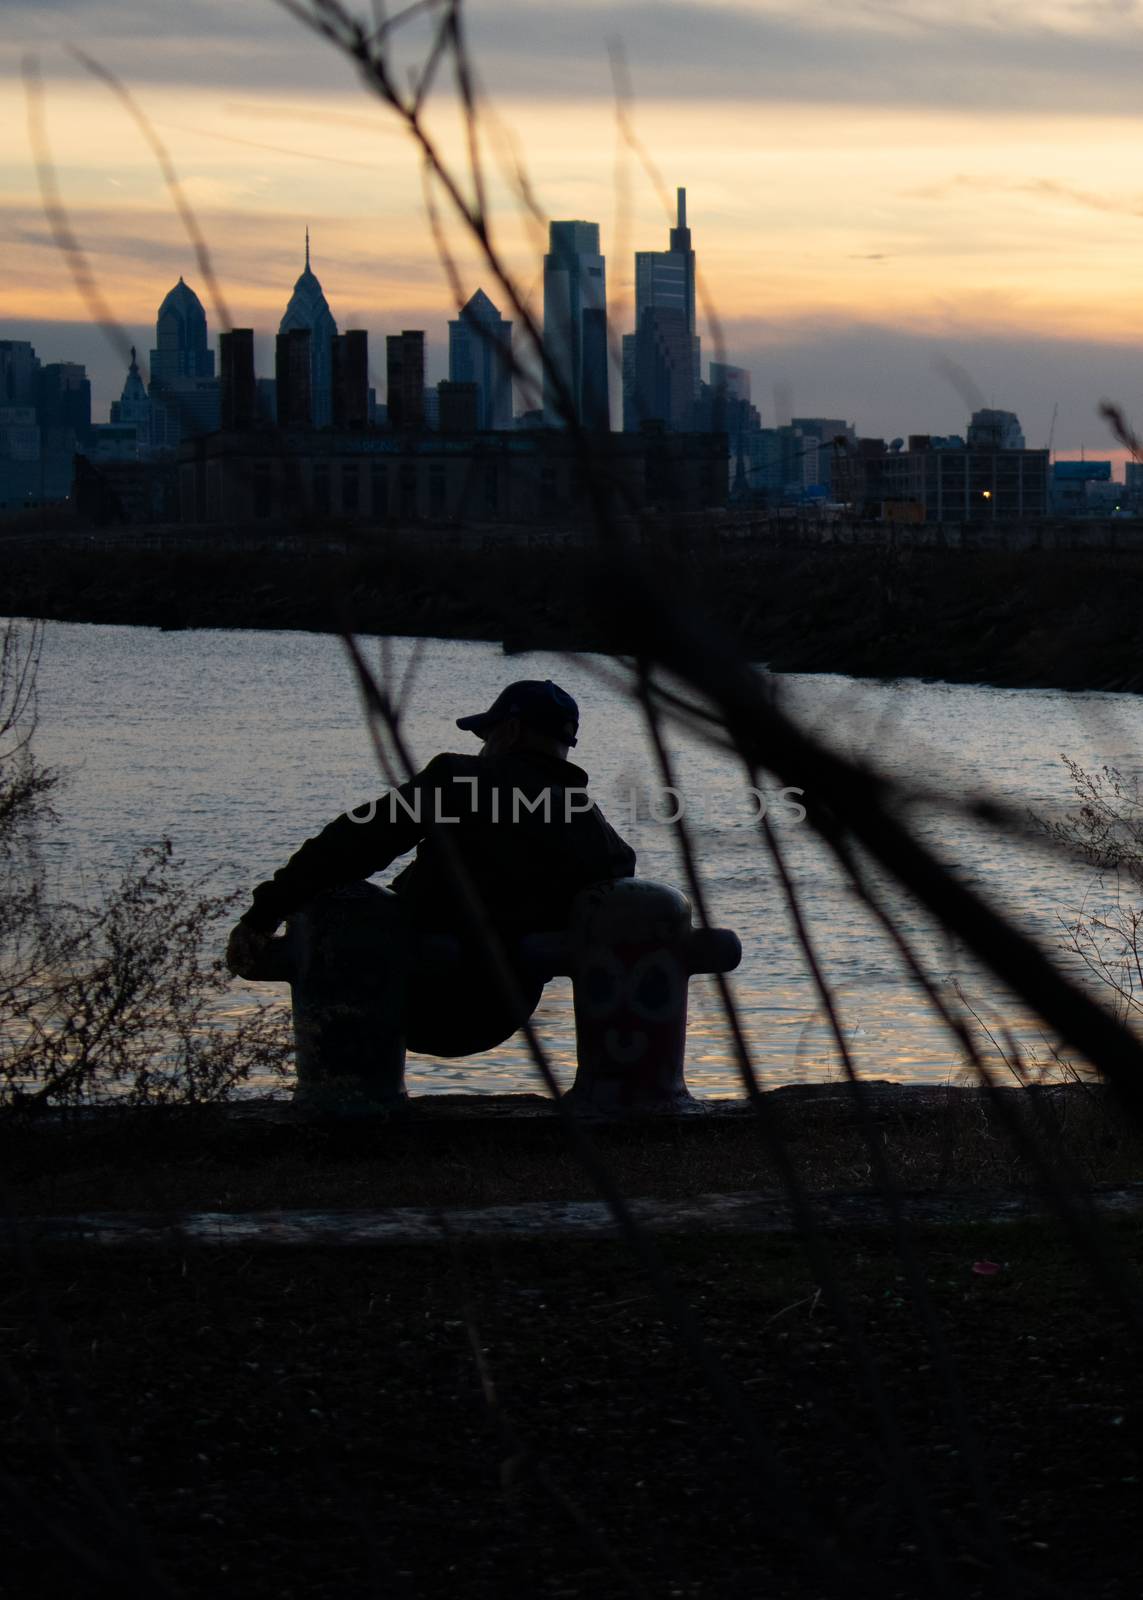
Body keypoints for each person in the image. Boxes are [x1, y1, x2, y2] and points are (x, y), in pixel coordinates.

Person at [226, 679, 636, 1056]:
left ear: (509, 732)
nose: (482, 745)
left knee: (340, 900)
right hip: (502, 1010)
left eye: (485, 735)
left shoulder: (460, 779)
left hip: (414, 994)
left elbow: (350, 844)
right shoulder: (594, 827)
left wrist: (263, 914)